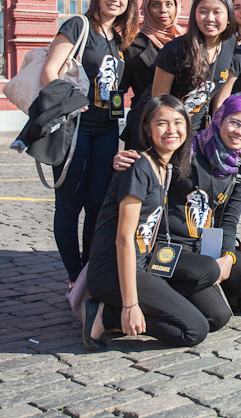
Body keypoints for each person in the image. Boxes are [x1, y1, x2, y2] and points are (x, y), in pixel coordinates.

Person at [112, 95, 241, 321]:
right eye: (234, 122)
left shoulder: (240, 172)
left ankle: (194, 289)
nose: (240, 132)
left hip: (204, 246)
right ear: (219, 119)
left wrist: (227, 256)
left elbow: (228, 221)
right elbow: (150, 160)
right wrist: (122, 160)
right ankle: (162, 295)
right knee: (216, 313)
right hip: (168, 244)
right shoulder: (185, 151)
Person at [82, 96, 221, 350]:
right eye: (162, 123)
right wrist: (129, 305)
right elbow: (124, 239)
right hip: (114, 271)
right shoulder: (138, 168)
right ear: (146, 127)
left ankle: (159, 300)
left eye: (178, 122)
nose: (172, 130)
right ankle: (105, 315)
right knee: (194, 330)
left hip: (146, 261)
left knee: (209, 270)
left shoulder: (166, 167)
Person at [41, 0, 139, 288]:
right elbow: (49, 72)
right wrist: (70, 103)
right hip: (74, 127)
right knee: (70, 203)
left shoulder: (121, 38)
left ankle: (88, 268)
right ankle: (73, 275)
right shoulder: (78, 26)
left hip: (107, 128)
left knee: (98, 202)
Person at [153, 0, 240, 136]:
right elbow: (159, 103)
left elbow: (220, 99)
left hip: (202, 133)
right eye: (203, 11)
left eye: (217, 12)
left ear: (229, 17)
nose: (209, 18)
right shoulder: (174, 50)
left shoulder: (229, 43)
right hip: (172, 134)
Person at [120, 0, 184, 150]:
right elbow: (118, 89)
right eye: (155, 4)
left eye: (169, 4)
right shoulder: (132, 45)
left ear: (177, 7)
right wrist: (110, 119)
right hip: (145, 125)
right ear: (146, 9)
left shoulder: (189, 42)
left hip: (182, 126)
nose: (163, 10)